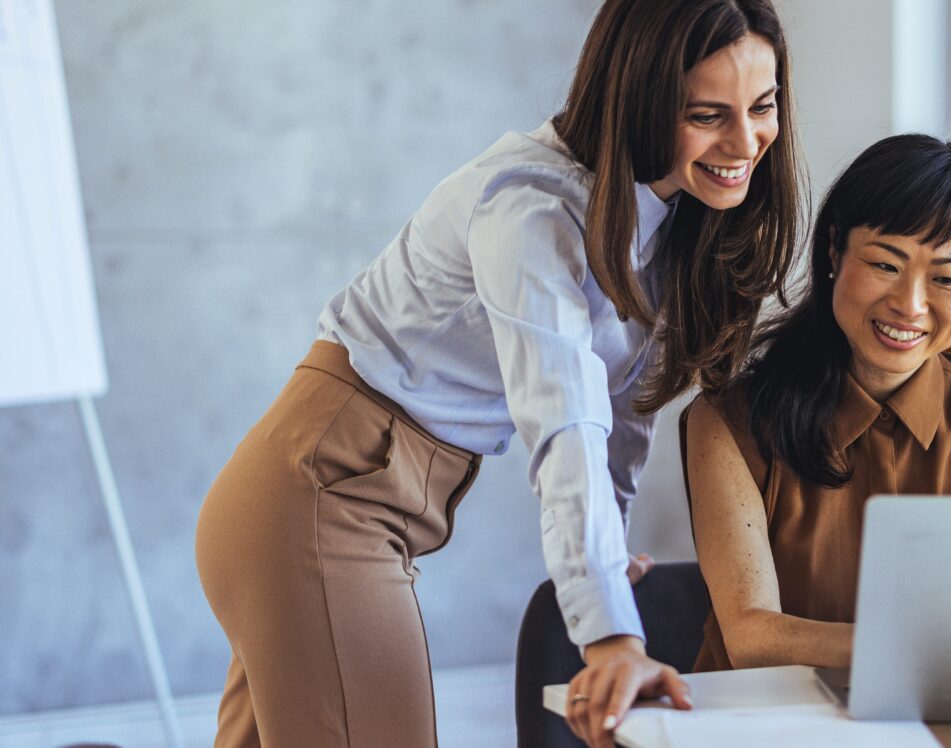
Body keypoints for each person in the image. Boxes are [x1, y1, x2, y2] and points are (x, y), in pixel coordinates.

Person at [193, 1, 803, 745]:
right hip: (322, 496)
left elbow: (619, 412)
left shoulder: (664, 219)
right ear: (639, 98)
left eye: (762, 106)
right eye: (708, 114)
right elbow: (565, 420)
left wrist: (606, 570)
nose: (746, 141)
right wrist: (609, 635)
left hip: (331, 499)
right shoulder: (530, 208)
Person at [682, 134, 951, 671]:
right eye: (886, 264)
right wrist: (926, 653)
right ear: (834, 249)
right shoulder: (730, 419)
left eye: (946, 278)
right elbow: (751, 635)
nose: (909, 304)